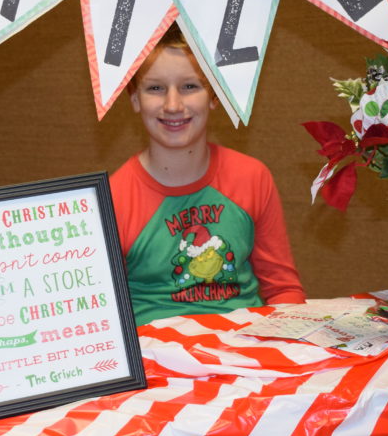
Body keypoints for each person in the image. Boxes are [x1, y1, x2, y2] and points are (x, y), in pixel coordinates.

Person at [110, 25, 306, 326]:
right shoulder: (115, 196)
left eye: (190, 86)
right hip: (154, 356)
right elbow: (105, 314)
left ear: (215, 95)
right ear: (134, 98)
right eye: (155, 88)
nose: (173, 105)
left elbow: (282, 289)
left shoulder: (252, 177)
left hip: (247, 349)